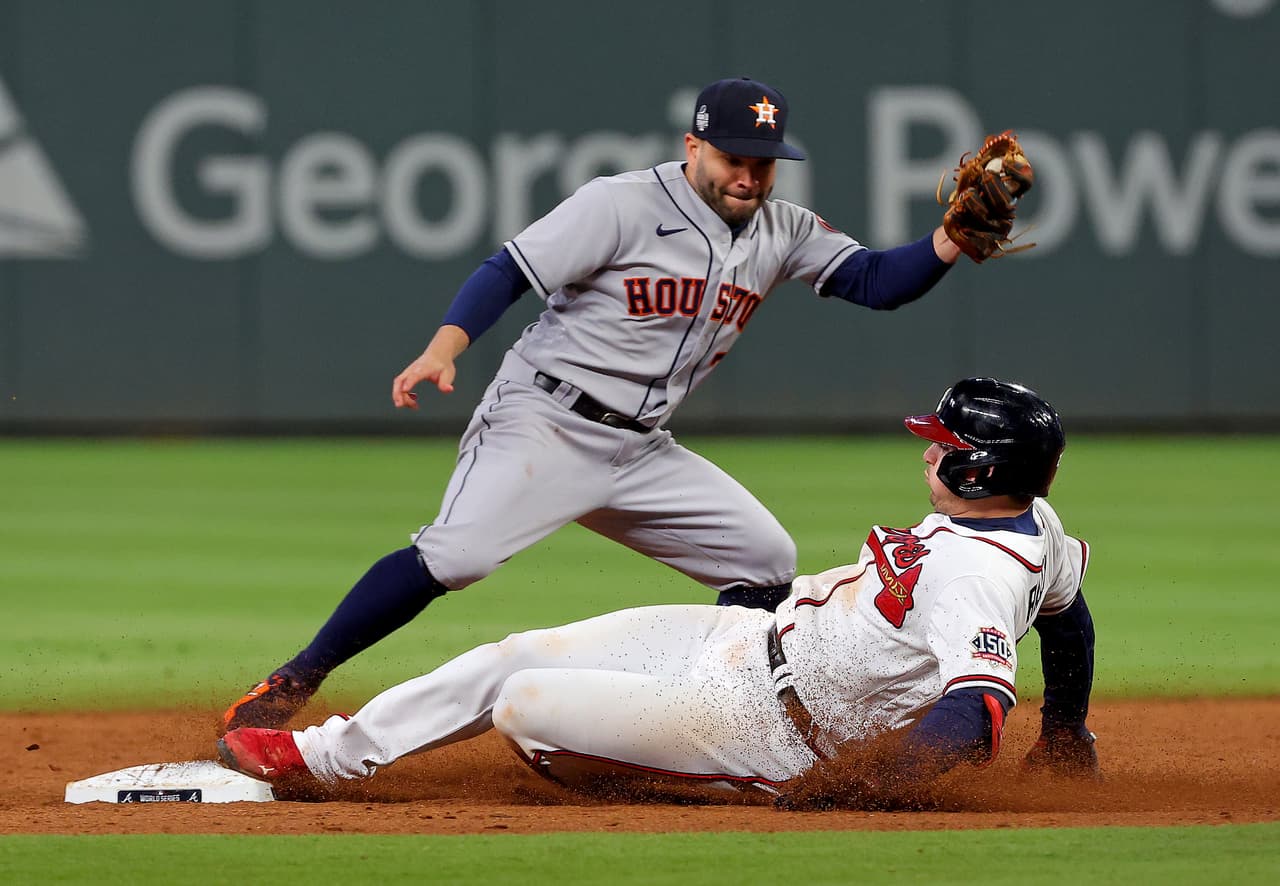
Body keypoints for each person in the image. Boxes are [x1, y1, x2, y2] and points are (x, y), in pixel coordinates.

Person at [222, 76, 987, 732]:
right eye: (732, 158)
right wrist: (446, 346)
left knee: (764, 559)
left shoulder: (781, 230)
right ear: (693, 149)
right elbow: (508, 269)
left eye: (763, 162)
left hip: (642, 447)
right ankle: (293, 679)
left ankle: (721, 710)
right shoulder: (619, 204)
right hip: (544, 420)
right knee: (458, 556)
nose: (749, 177)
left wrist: (950, 240)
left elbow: (878, 283)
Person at [217, 377, 1099, 806]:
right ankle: (324, 757)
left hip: (772, 731)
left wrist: (872, 793)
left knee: (523, 703)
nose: (926, 449)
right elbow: (1070, 619)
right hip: (753, 648)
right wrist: (1065, 736)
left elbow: (974, 713)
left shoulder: (977, 572)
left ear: (981, 466)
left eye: (942, 442)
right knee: (521, 652)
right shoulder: (1036, 532)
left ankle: (657, 772)